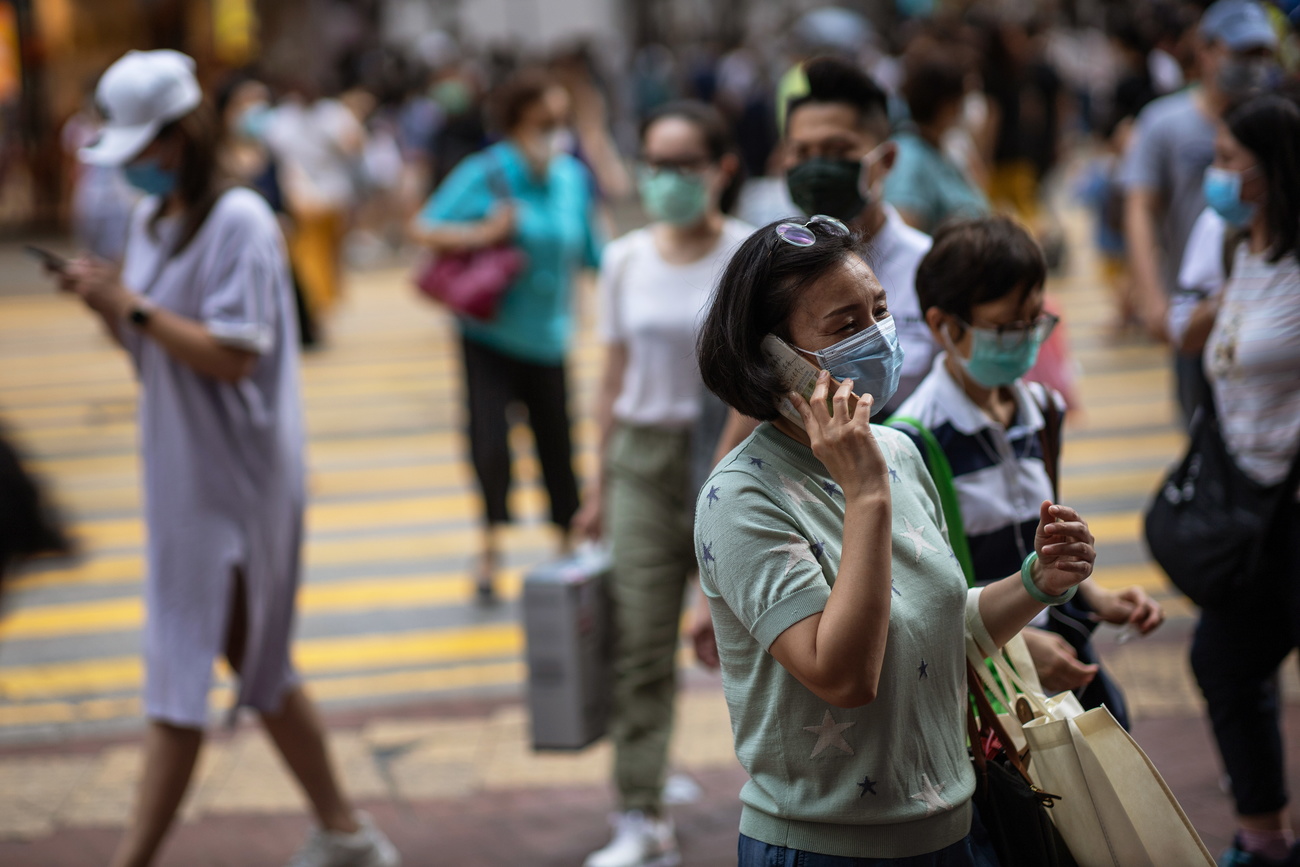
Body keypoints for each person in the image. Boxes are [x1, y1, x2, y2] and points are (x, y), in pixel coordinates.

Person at [61, 51, 398, 867]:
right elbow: (153, 354)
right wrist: (109, 303)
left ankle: (132, 858)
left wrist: (129, 306)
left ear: (179, 138)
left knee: (184, 669)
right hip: (180, 470)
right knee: (259, 661)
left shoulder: (241, 220)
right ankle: (347, 831)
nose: (131, 168)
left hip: (237, 476)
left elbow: (232, 355)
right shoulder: (152, 220)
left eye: (141, 148)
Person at [694, 214, 1098, 864]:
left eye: (879, 310)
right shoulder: (741, 497)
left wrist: (1036, 582)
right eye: (844, 325)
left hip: (955, 829)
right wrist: (865, 495)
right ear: (774, 358)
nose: (878, 336)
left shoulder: (898, 452)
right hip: (827, 848)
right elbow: (844, 674)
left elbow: (937, 623)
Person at [889, 216, 1164, 724]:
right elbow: (923, 600)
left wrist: (1098, 598)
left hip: (1061, 652)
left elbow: (1034, 546)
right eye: (1005, 326)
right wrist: (1016, 647)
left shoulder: (1042, 411)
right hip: (989, 677)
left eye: (1034, 321)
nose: (1023, 339)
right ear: (944, 326)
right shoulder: (913, 442)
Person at [571, 101, 750, 867]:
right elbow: (612, 374)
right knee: (641, 641)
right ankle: (641, 810)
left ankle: (801, 793)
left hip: (736, 455)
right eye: (655, 163)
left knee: (755, 639)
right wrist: (597, 484)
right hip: (642, 462)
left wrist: (725, 470)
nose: (667, 180)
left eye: (684, 164)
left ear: (721, 168)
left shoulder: (750, 256)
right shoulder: (625, 259)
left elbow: (758, 378)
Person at [411, 69, 602, 602]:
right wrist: (483, 232)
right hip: (489, 336)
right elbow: (424, 227)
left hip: (551, 336)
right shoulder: (487, 172)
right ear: (515, 124)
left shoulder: (570, 177)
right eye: (545, 123)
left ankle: (565, 546)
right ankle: (489, 549)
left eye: (563, 122)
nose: (556, 133)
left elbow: (594, 253)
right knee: (490, 445)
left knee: (556, 442)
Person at [1188, 94, 1300, 867]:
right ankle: (1264, 836)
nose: (1217, 175)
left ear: (1273, 170)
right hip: (1248, 505)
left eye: (1230, 160)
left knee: (1226, 657)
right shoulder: (1239, 252)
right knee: (1226, 660)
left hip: (1294, 510)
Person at [1121, 0, 1278, 412]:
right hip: (1195, 310)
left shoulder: (1279, 121)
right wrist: (1152, 299)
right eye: (1242, 53)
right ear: (1205, 50)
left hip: (1270, 307)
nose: (1254, 65)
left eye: (1262, 54)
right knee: (1198, 426)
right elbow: (1140, 207)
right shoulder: (1163, 121)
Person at [882, 48, 991, 235]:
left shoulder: (946, 147)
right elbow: (905, 231)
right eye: (962, 101)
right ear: (947, 106)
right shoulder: (908, 158)